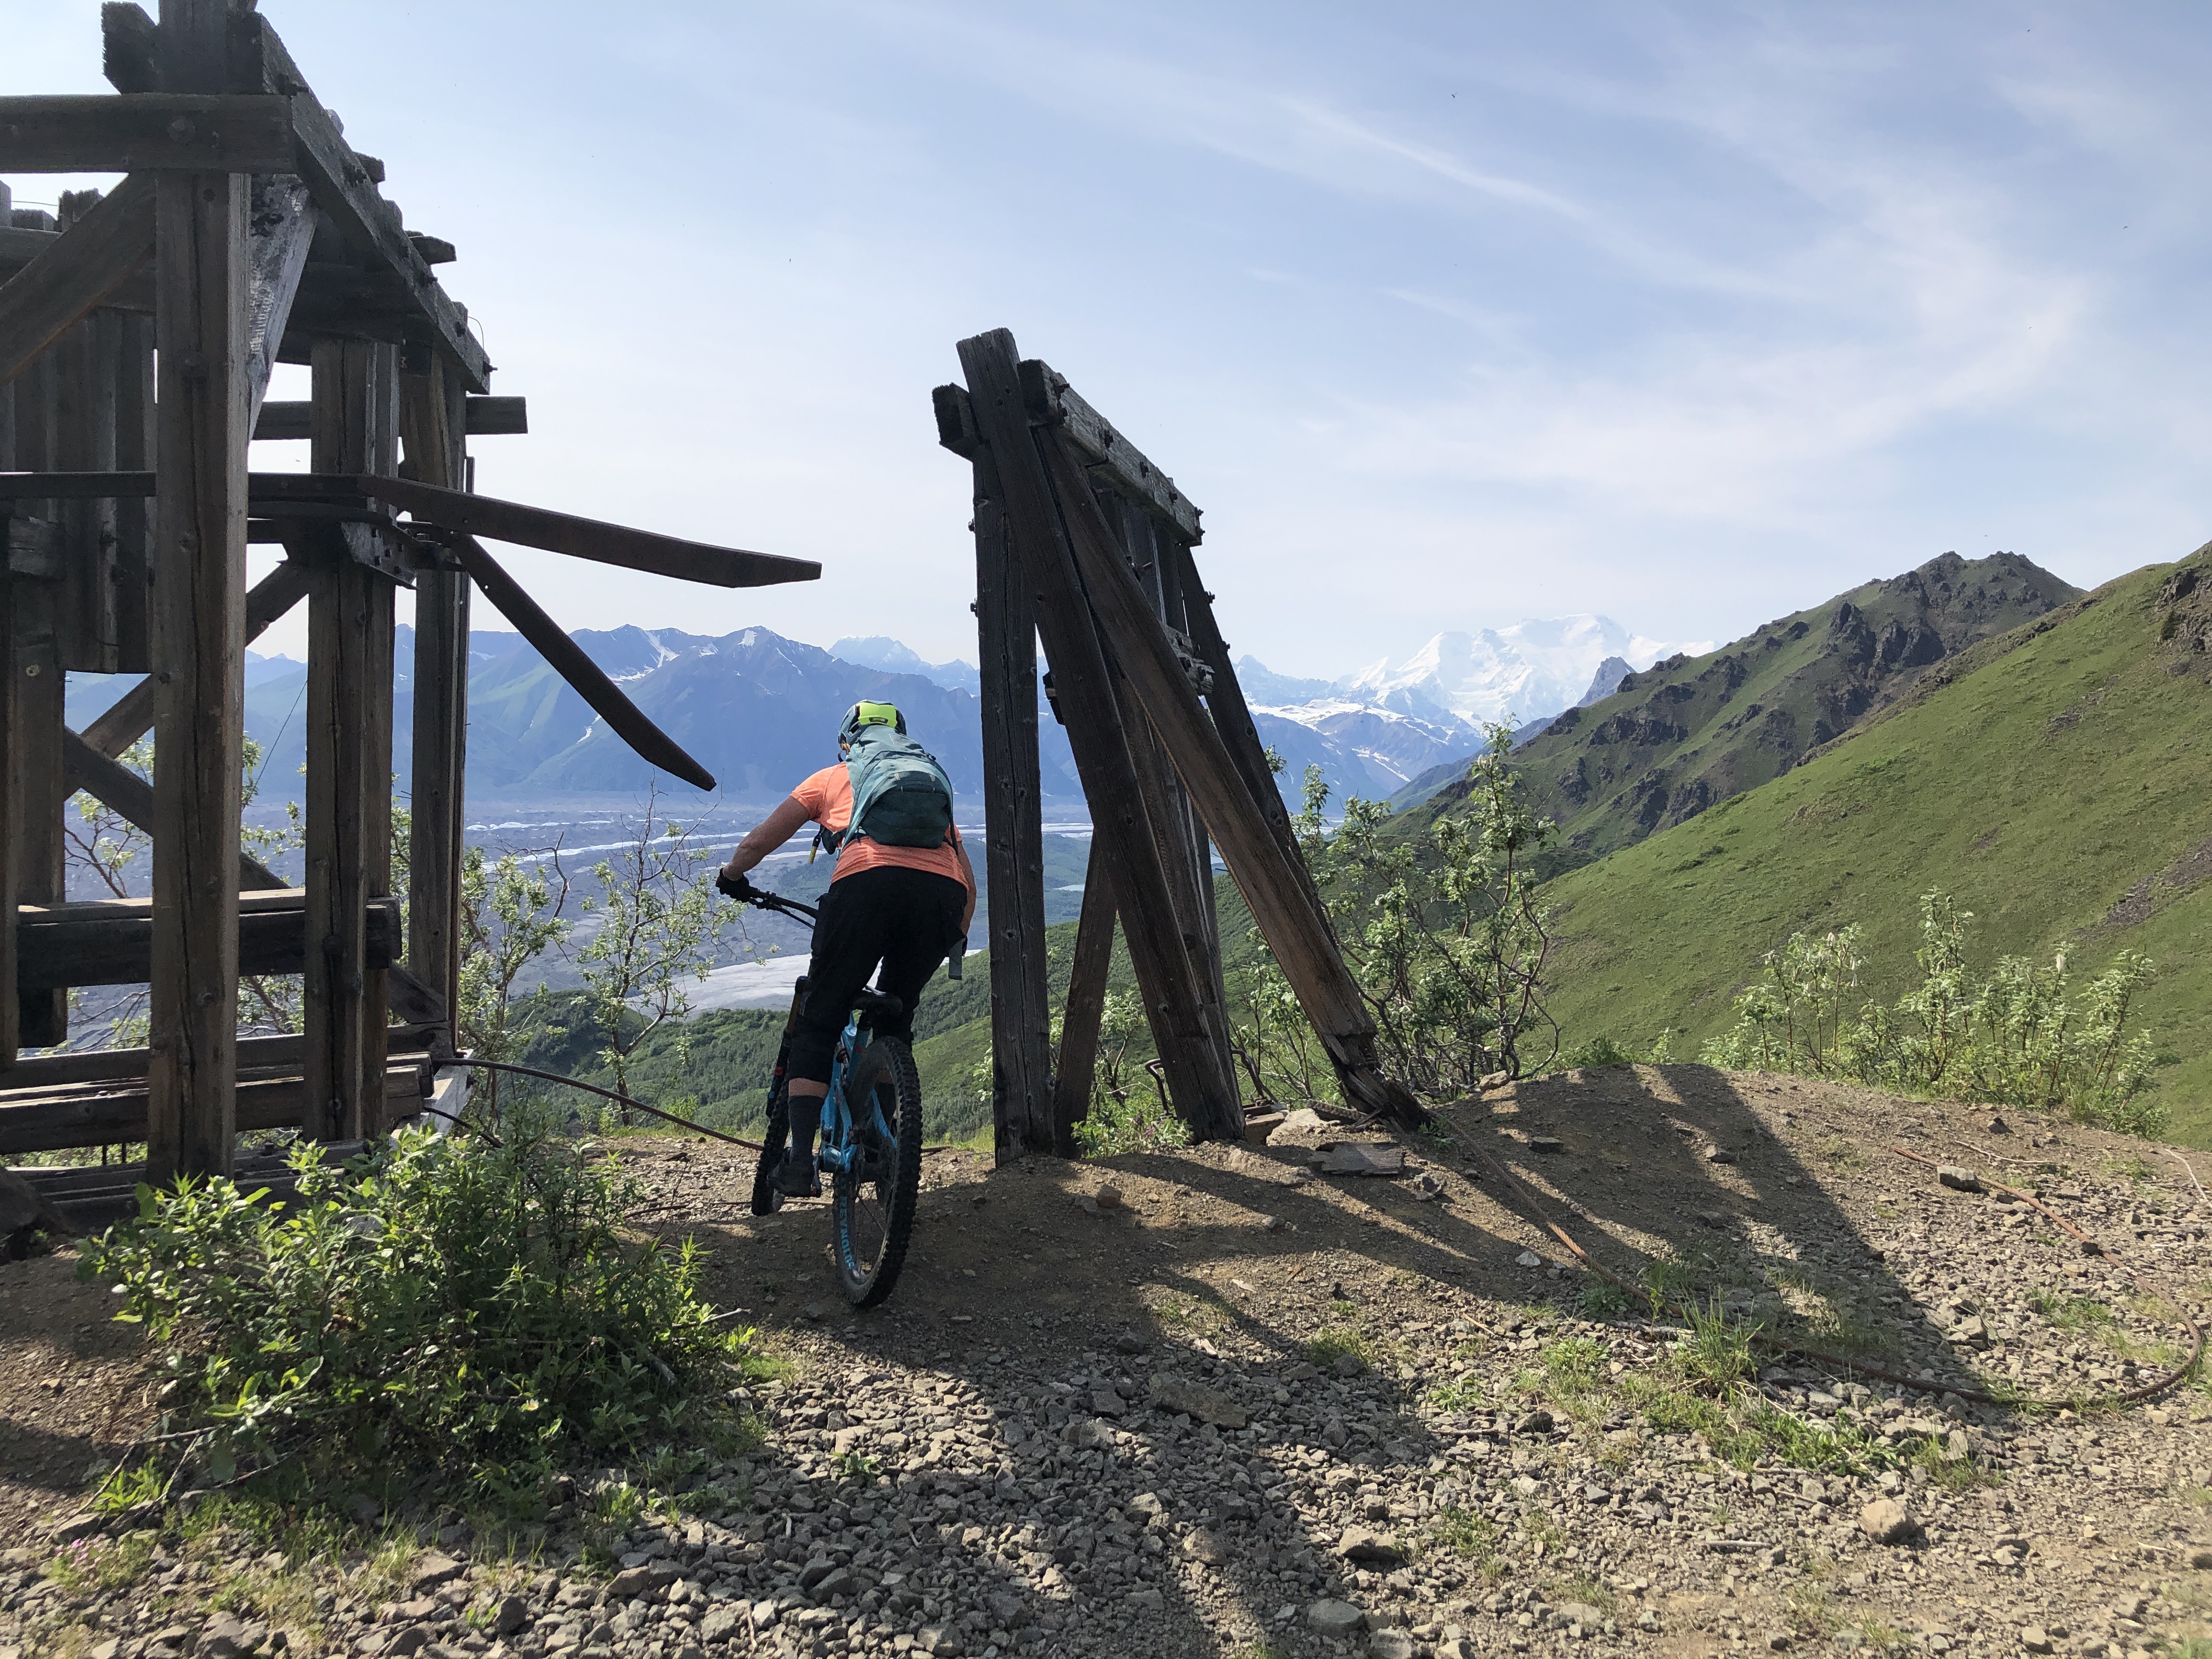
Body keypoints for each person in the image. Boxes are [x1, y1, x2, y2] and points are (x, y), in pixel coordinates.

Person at [717, 701, 975, 1196]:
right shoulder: (927, 788)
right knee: (896, 1016)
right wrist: (953, 940)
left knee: (820, 1019)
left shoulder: (834, 777)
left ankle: (799, 1163)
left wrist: (732, 876)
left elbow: (758, 842)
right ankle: (881, 1145)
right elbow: (969, 884)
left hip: (865, 887)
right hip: (941, 899)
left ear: (846, 743)